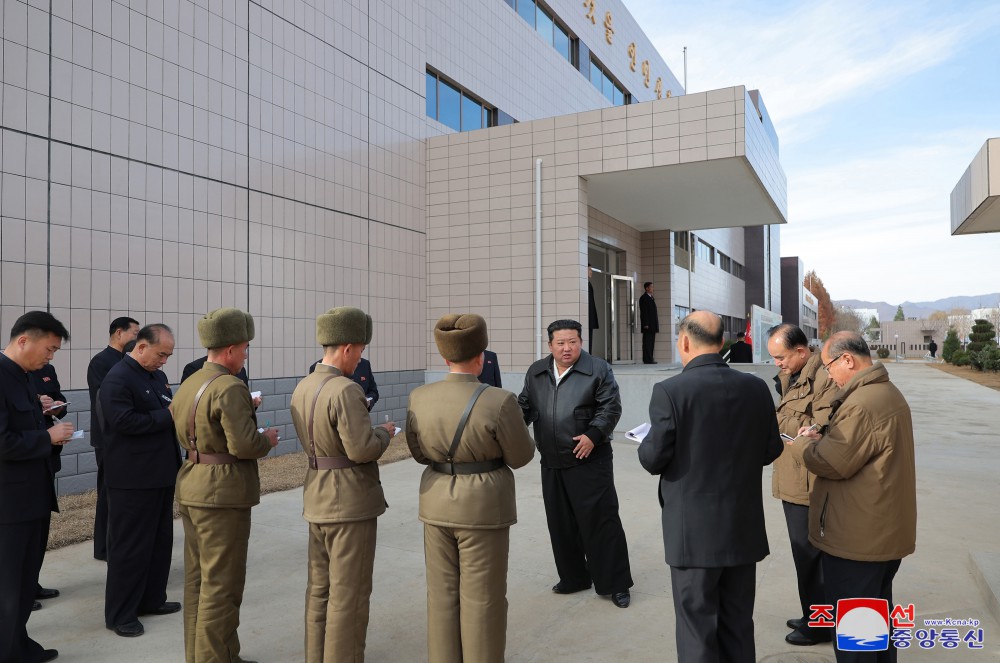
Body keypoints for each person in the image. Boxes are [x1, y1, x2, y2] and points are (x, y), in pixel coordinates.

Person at [638, 311, 783, 662]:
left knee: (696, 630)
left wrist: (646, 441)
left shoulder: (670, 391)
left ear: (685, 342)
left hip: (694, 535)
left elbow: (654, 457)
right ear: (722, 344)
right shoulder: (755, 387)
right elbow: (772, 449)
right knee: (737, 624)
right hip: (742, 529)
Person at [406, 314, 535, 662]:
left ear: (444, 357)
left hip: (435, 504)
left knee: (442, 596)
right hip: (483, 508)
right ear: (481, 356)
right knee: (483, 598)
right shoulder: (500, 401)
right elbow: (521, 456)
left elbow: (418, 453)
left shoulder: (419, 397)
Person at [787, 332, 916, 663]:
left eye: (829, 366)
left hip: (858, 541)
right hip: (879, 532)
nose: (828, 375)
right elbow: (859, 448)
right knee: (876, 626)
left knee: (856, 640)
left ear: (848, 360)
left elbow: (832, 462)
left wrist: (802, 444)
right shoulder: (885, 393)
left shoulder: (862, 403)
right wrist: (824, 434)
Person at [171, 308, 279, 663]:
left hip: (192, 484)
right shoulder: (230, 387)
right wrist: (267, 439)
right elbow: (244, 445)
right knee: (223, 586)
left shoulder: (190, 382)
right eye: (245, 349)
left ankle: (208, 654)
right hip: (222, 492)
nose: (245, 355)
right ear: (231, 349)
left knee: (198, 582)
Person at [291, 307, 396, 662]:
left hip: (316, 494)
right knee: (349, 595)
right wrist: (385, 432)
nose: (360, 358)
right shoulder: (346, 391)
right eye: (361, 351)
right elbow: (362, 448)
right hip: (349, 500)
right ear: (348, 347)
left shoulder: (303, 386)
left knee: (319, 590)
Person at [517, 319, 632, 608]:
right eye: (560, 343)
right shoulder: (537, 372)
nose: (567, 348)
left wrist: (594, 435)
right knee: (561, 524)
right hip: (552, 460)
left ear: (581, 342)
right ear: (550, 345)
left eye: (573, 342)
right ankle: (574, 577)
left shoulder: (598, 369)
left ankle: (615, 583)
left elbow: (611, 406)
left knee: (601, 523)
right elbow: (524, 409)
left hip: (589, 460)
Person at [0, 311, 74, 663]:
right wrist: (47, 437)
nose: (50, 357)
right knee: (10, 585)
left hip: (33, 495)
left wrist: (44, 415)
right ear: (23, 340)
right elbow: (3, 441)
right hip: (10, 503)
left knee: (25, 581)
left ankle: (18, 644)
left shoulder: (24, 378)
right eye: (49, 348)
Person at [99, 324, 182, 638]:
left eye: (168, 356)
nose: (164, 361)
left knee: (159, 542)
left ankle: (151, 599)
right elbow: (122, 421)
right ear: (142, 346)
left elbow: (167, 409)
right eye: (161, 354)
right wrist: (169, 415)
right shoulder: (118, 378)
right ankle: (121, 613)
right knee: (130, 547)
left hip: (159, 473)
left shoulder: (155, 376)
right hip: (132, 479)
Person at [766, 323, 838, 646]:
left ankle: (820, 622)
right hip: (792, 473)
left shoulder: (823, 377)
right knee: (802, 554)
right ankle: (813, 614)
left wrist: (781, 422)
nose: (777, 364)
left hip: (808, 480)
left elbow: (820, 425)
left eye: (781, 357)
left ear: (800, 351)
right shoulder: (790, 375)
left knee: (810, 555)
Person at [88, 316, 140, 562]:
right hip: (108, 437)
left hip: (127, 437)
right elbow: (103, 402)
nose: (138, 339)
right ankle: (104, 547)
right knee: (108, 491)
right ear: (119, 333)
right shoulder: (101, 362)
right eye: (134, 333)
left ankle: (119, 542)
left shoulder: (129, 361)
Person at [29, 362, 69, 611]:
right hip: (24, 461)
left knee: (41, 525)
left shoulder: (47, 370)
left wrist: (54, 406)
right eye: (48, 347)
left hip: (47, 456)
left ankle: (31, 583)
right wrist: (37, 402)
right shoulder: (8, 374)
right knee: (21, 533)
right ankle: (18, 589)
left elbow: (60, 399)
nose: (50, 354)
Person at [309, 356, 379, 411]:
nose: (359, 359)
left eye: (362, 350)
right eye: (359, 350)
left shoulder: (365, 365)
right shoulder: (317, 369)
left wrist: (368, 401)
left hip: (360, 419)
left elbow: (374, 392)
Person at [638, 281, 659, 364]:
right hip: (648, 325)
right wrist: (645, 323)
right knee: (647, 342)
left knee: (651, 342)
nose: (652, 288)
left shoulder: (651, 298)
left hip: (652, 324)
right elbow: (644, 312)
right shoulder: (643, 298)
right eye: (651, 287)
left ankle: (650, 358)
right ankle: (647, 359)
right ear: (647, 288)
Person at [587, 265, 599, 354]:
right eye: (590, 269)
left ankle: (589, 356)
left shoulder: (588, 283)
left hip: (590, 317)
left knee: (590, 338)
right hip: (587, 317)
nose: (591, 272)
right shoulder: (584, 284)